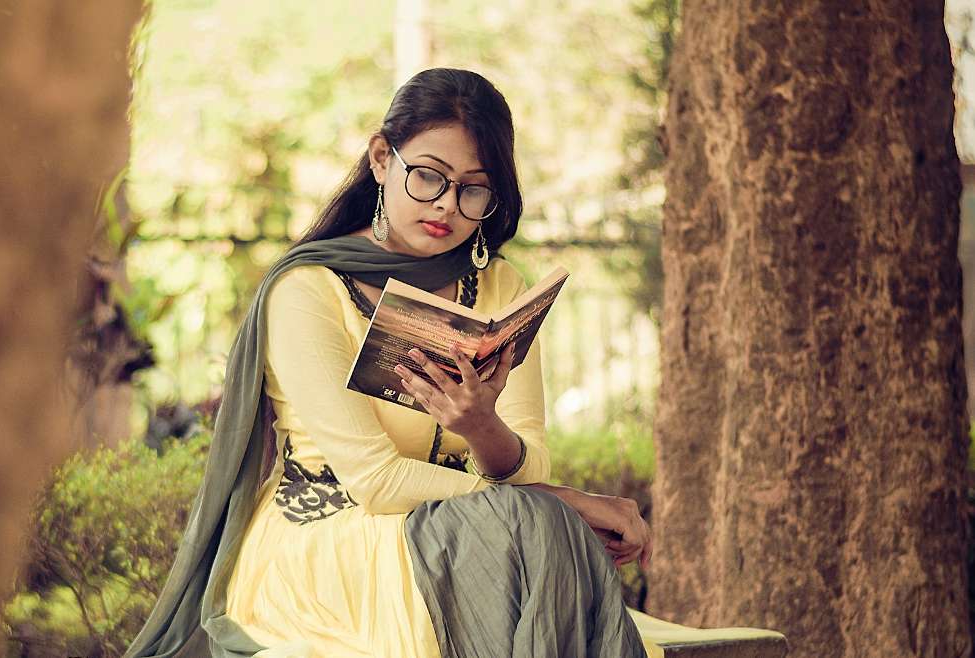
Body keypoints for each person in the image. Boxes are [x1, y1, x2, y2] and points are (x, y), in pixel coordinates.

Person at [123, 67, 654, 658]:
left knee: (528, 531)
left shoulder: (502, 287)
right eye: (428, 177)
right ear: (382, 158)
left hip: (471, 537)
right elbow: (375, 481)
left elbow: (527, 461)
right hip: (328, 546)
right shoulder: (310, 290)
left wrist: (481, 426)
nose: (447, 207)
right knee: (536, 526)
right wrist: (564, 500)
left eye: (473, 189)